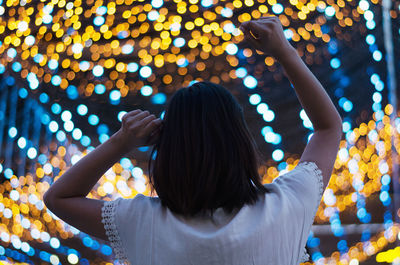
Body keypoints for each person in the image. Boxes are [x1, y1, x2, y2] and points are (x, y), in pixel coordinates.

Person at [43, 16, 342, 265]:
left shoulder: (139, 221)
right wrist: (284, 52)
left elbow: (59, 198)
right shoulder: (285, 206)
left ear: (168, 151)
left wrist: (121, 142)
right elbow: (328, 128)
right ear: (241, 144)